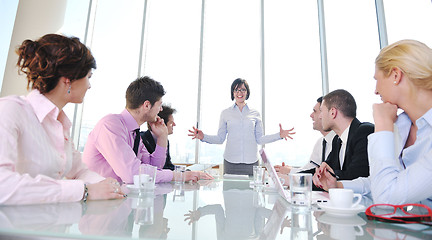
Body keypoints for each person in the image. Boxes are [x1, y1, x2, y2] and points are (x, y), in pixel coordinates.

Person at [0, 34, 125, 205]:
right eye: (88, 77)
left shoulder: (59, 124)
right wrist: (84, 190)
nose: (89, 85)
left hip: (48, 224)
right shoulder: (10, 110)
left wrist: (109, 186)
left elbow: (79, 171)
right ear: (69, 79)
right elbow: (3, 186)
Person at [313, 40, 432, 205]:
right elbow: (383, 181)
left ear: (396, 75)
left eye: (377, 79)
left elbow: (387, 195)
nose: (375, 90)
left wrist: (383, 125)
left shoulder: (388, 126)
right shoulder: (403, 126)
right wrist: (338, 185)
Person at [83, 76, 212, 184]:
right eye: (159, 105)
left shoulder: (134, 133)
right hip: (95, 206)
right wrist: (180, 176)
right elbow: (132, 174)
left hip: (117, 201)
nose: (160, 110)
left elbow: (154, 169)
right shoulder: (110, 125)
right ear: (146, 105)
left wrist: (162, 137)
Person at [188, 78, 295, 175]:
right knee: (230, 195)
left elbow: (260, 139)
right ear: (233, 93)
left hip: (251, 164)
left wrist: (279, 135)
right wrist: (203, 137)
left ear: (247, 92)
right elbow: (220, 139)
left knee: (252, 196)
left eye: (243, 90)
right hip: (230, 164)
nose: (240, 93)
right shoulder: (225, 113)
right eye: (236, 90)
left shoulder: (255, 113)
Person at [313, 89, 374, 184]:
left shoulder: (364, 132)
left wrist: (330, 175)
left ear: (333, 112)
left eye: (321, 111)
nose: (320, 116)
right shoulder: (337, 140)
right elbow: (325, 171)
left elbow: (356, 175)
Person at [274, 97, 336, 174]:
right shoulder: (321, 142)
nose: (311, 115)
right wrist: (290, 170)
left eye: (315, 111)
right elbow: (311, 168)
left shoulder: (339, 142)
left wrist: (290, 171)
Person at [141, 104, 176, 171]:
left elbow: (168, 165)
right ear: (161, 123)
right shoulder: (142, 139)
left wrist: (183, 172)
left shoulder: (165, 140)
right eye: (171, 123)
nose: (174, 125)